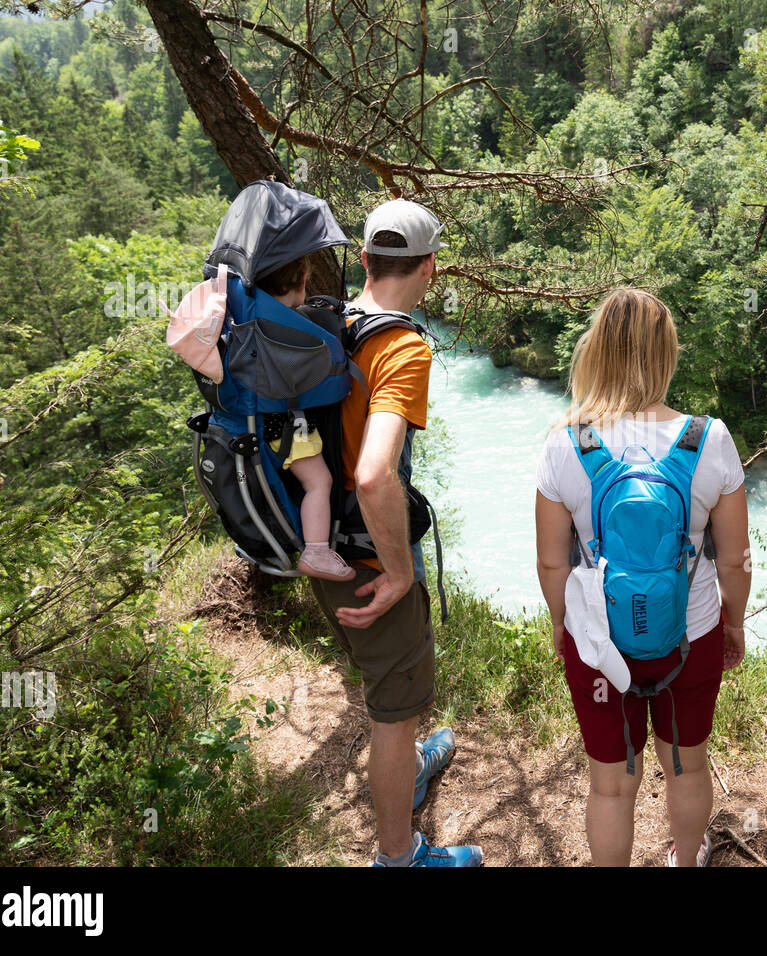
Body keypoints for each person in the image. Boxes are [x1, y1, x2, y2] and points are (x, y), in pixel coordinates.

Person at [535, 288, 751, 867]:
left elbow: (553, 562)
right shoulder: (709, 439)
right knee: (685, 765)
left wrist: (564, 626)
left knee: (610, 782)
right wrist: (734, 623)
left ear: (596, 350)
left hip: (600, 644)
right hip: (693, 635)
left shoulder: (566, 443)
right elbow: (734, 559)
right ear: (667, 353)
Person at [306, 198, 482, 867]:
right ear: (431, 266)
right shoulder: (401, 347)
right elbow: (377, 475)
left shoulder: (328, 325)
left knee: (381, 680)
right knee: (393, 707)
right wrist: (401, 571)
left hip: (316, 544)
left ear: (362, 260)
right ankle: (399, 856)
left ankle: (409, 764)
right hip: (368, 557)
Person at [250, 254, 355, 582]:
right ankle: (316, 551)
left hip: (263, 419)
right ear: (299, 284)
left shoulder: (253, 315)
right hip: (287, 422)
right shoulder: (287, 327)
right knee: (319, 482)